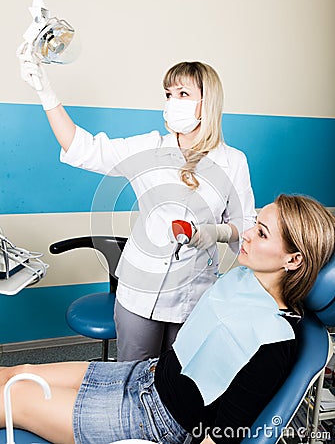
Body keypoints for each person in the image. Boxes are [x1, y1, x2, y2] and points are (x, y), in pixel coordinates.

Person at [1, 194, 334, 444]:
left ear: (293, 259)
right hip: (146, 375)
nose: (247, 234)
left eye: (261, 233)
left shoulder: (274, 342)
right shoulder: (243, 279)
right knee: (20, 373)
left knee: (18, 399)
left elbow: (221, 437)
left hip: (158, 420)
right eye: (256, 223)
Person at [18, 57, 256, 361]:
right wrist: (46, 93)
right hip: (139, 290)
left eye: (183, 94)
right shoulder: (149, 148)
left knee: (179, 381)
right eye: (169, 95)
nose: (173, 103)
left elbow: (245, 224)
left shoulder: (233, 162)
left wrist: (217, 232)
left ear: (207, 102)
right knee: (129, 377)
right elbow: (83, 148)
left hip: (194, 293)